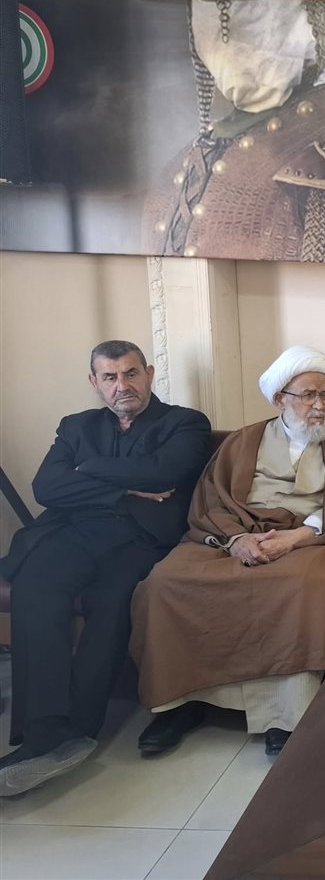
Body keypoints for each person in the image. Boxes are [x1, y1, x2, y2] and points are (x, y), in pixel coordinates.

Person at [129, 346, 325, 756]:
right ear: (280, 398)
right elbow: (213, 500)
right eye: (309, 395)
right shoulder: (243, 441)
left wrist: (295, 538)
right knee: (166, 581)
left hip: (312, 539)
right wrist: (236, 540)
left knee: (305, 582)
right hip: (237, 533)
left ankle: (286, 714)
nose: (319, 405)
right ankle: (181, 704)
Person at [0, 341, 210, 797]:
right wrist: (123, 490)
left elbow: (162, 473)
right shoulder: (77, 425)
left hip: (140, 538)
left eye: (131, 374)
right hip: (73, 530)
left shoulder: (185, 423)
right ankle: (42, 732)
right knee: (35, 589)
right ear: (94, 382)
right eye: (110, 377)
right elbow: (46, 487)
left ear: (149, 374)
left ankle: (79, 728)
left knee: (113, 602)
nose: (122, 386)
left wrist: (87, 468)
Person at [144, 0, 325, 262]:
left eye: (248, 9)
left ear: (309, 16)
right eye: (211, 10)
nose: (227, 35)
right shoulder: (178, 170)